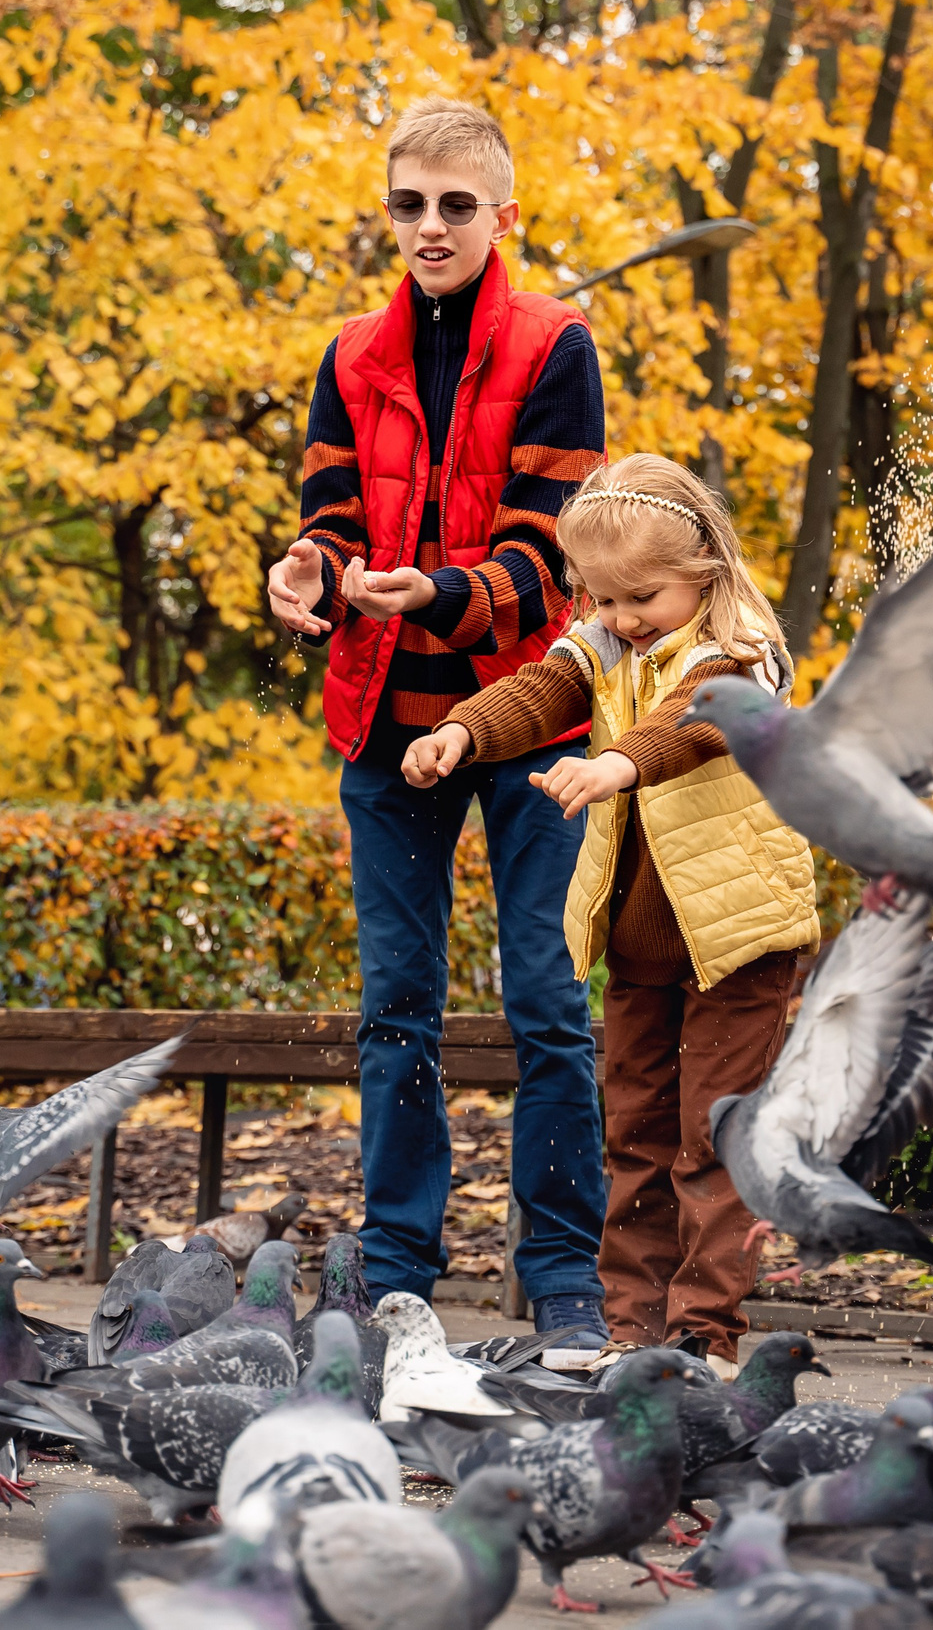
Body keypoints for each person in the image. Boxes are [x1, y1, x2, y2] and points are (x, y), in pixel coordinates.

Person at [263, 97, 609, 1341]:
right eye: (409, 204)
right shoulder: (351, 353)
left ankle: (563, 1279)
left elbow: (552, 555)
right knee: (395, 1005)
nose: (431, 226)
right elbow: (333, 518)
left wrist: (444, 594)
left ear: (503, 215)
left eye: (456, 205)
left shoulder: (557, 346)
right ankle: (397, 1265)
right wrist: (307, 571)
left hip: (525, 720)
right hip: (384, 723)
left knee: (548, 1004)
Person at [400, 456, 821, 1374]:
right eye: (603, 597)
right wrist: (460, 731)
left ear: (703, 569)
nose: (623, 617)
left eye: (643, 597)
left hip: (737, 938)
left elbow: (695, 722)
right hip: (640, 938)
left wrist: (614, 765)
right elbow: (538, 690)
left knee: (715, 1135)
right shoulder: (604, 641)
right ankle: (630, 1329)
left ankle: (703, 1334)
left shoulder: (741, 647)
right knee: (635, 1131)